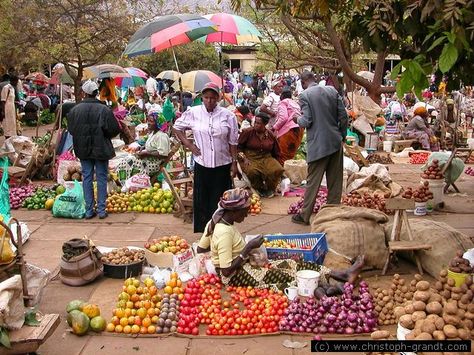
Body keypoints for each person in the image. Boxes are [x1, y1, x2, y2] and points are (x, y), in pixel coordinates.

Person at [197, 188, 365, 289]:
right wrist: (247, 248)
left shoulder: (218, 221)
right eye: (245, 210)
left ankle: (341, 274)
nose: (247, 213)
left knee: (294, 264)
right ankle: (329, 285)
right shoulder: (224, 232)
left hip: (245, 265)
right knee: (286, 277)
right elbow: (226, 271)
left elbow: (200, 248)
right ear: (233, 211)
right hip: (235, 276)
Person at [173, 82, 239, 233]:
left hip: (222, 164)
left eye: (213, 98)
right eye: (206, 97)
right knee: (202, 199)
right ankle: (205, 232)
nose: (209, 101)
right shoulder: (194, 113)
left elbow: (233, 141)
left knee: (221, 200)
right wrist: (189, 145)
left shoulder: (227, 115)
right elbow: (177, 127)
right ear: (202, 98)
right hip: (202, 163)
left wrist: (234, 163)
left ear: (218, 98)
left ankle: (221, 231)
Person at [291, 71, 348, 226]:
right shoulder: (331, 90)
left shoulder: (305, 95)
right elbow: (344, 116)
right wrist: (341, 135)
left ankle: (304, 215)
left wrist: (296, 118)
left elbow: (307, 121)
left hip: (318, 145)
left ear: (303, 82)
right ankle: (333, 215)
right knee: (335, 182)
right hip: (335, 142)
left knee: (313, 181)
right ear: (314, 78)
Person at [67, 80, 120, 219]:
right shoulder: (104, 109)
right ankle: (101, 210)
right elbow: (114, 129)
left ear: (84, 93)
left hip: (83, 148)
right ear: (96, 93)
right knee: (102, 177)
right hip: (101, 148)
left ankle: (89, 210)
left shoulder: (75, 110)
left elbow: (72, 130)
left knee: (87, 177)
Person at [238, 112, 284, 198]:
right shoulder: (247, 132)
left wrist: (278, 162)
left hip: (266, 157)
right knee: (253, 171)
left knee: (277, 169)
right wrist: (244, 158)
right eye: (255, 122)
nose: (256, 125)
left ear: (265, 124)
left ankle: (270, 188)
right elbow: (239, 148)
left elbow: (276, 152)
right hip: (250, 157)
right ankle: (259, 187)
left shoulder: (270, 135)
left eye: (258, 123)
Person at [115, 111, 170, 182]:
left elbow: (163, 154)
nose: (148, 123)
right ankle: (124, 181)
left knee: (128, 161)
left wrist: (146, 153)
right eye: (148, 121)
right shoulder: (153, 133)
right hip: (148, 160)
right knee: (128, 158)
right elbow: (152, 145)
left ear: (158, 123)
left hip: (153, 164)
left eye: (151, 121)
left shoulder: (161, 136)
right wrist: (143, 147)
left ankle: (125, 182)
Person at [273, 89, 304, 165]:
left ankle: (283, 174)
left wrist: (274, 128)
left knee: (282, 155)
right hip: (299, 129)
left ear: (282, 96)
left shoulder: (283, 103)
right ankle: (290, 173)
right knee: (290, 155)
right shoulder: (295, 103)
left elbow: (283, 118)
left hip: (289, 130)